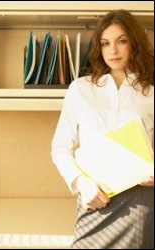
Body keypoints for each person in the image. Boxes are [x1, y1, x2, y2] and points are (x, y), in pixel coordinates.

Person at [51, 9, 154, 249]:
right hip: (95, 196)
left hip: (141, 199)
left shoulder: (151, 92)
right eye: (105, 43)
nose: (113, 50)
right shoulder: (80, 89)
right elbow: (60, 147)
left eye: (122, 41)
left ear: (135, 43)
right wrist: (79, 182)